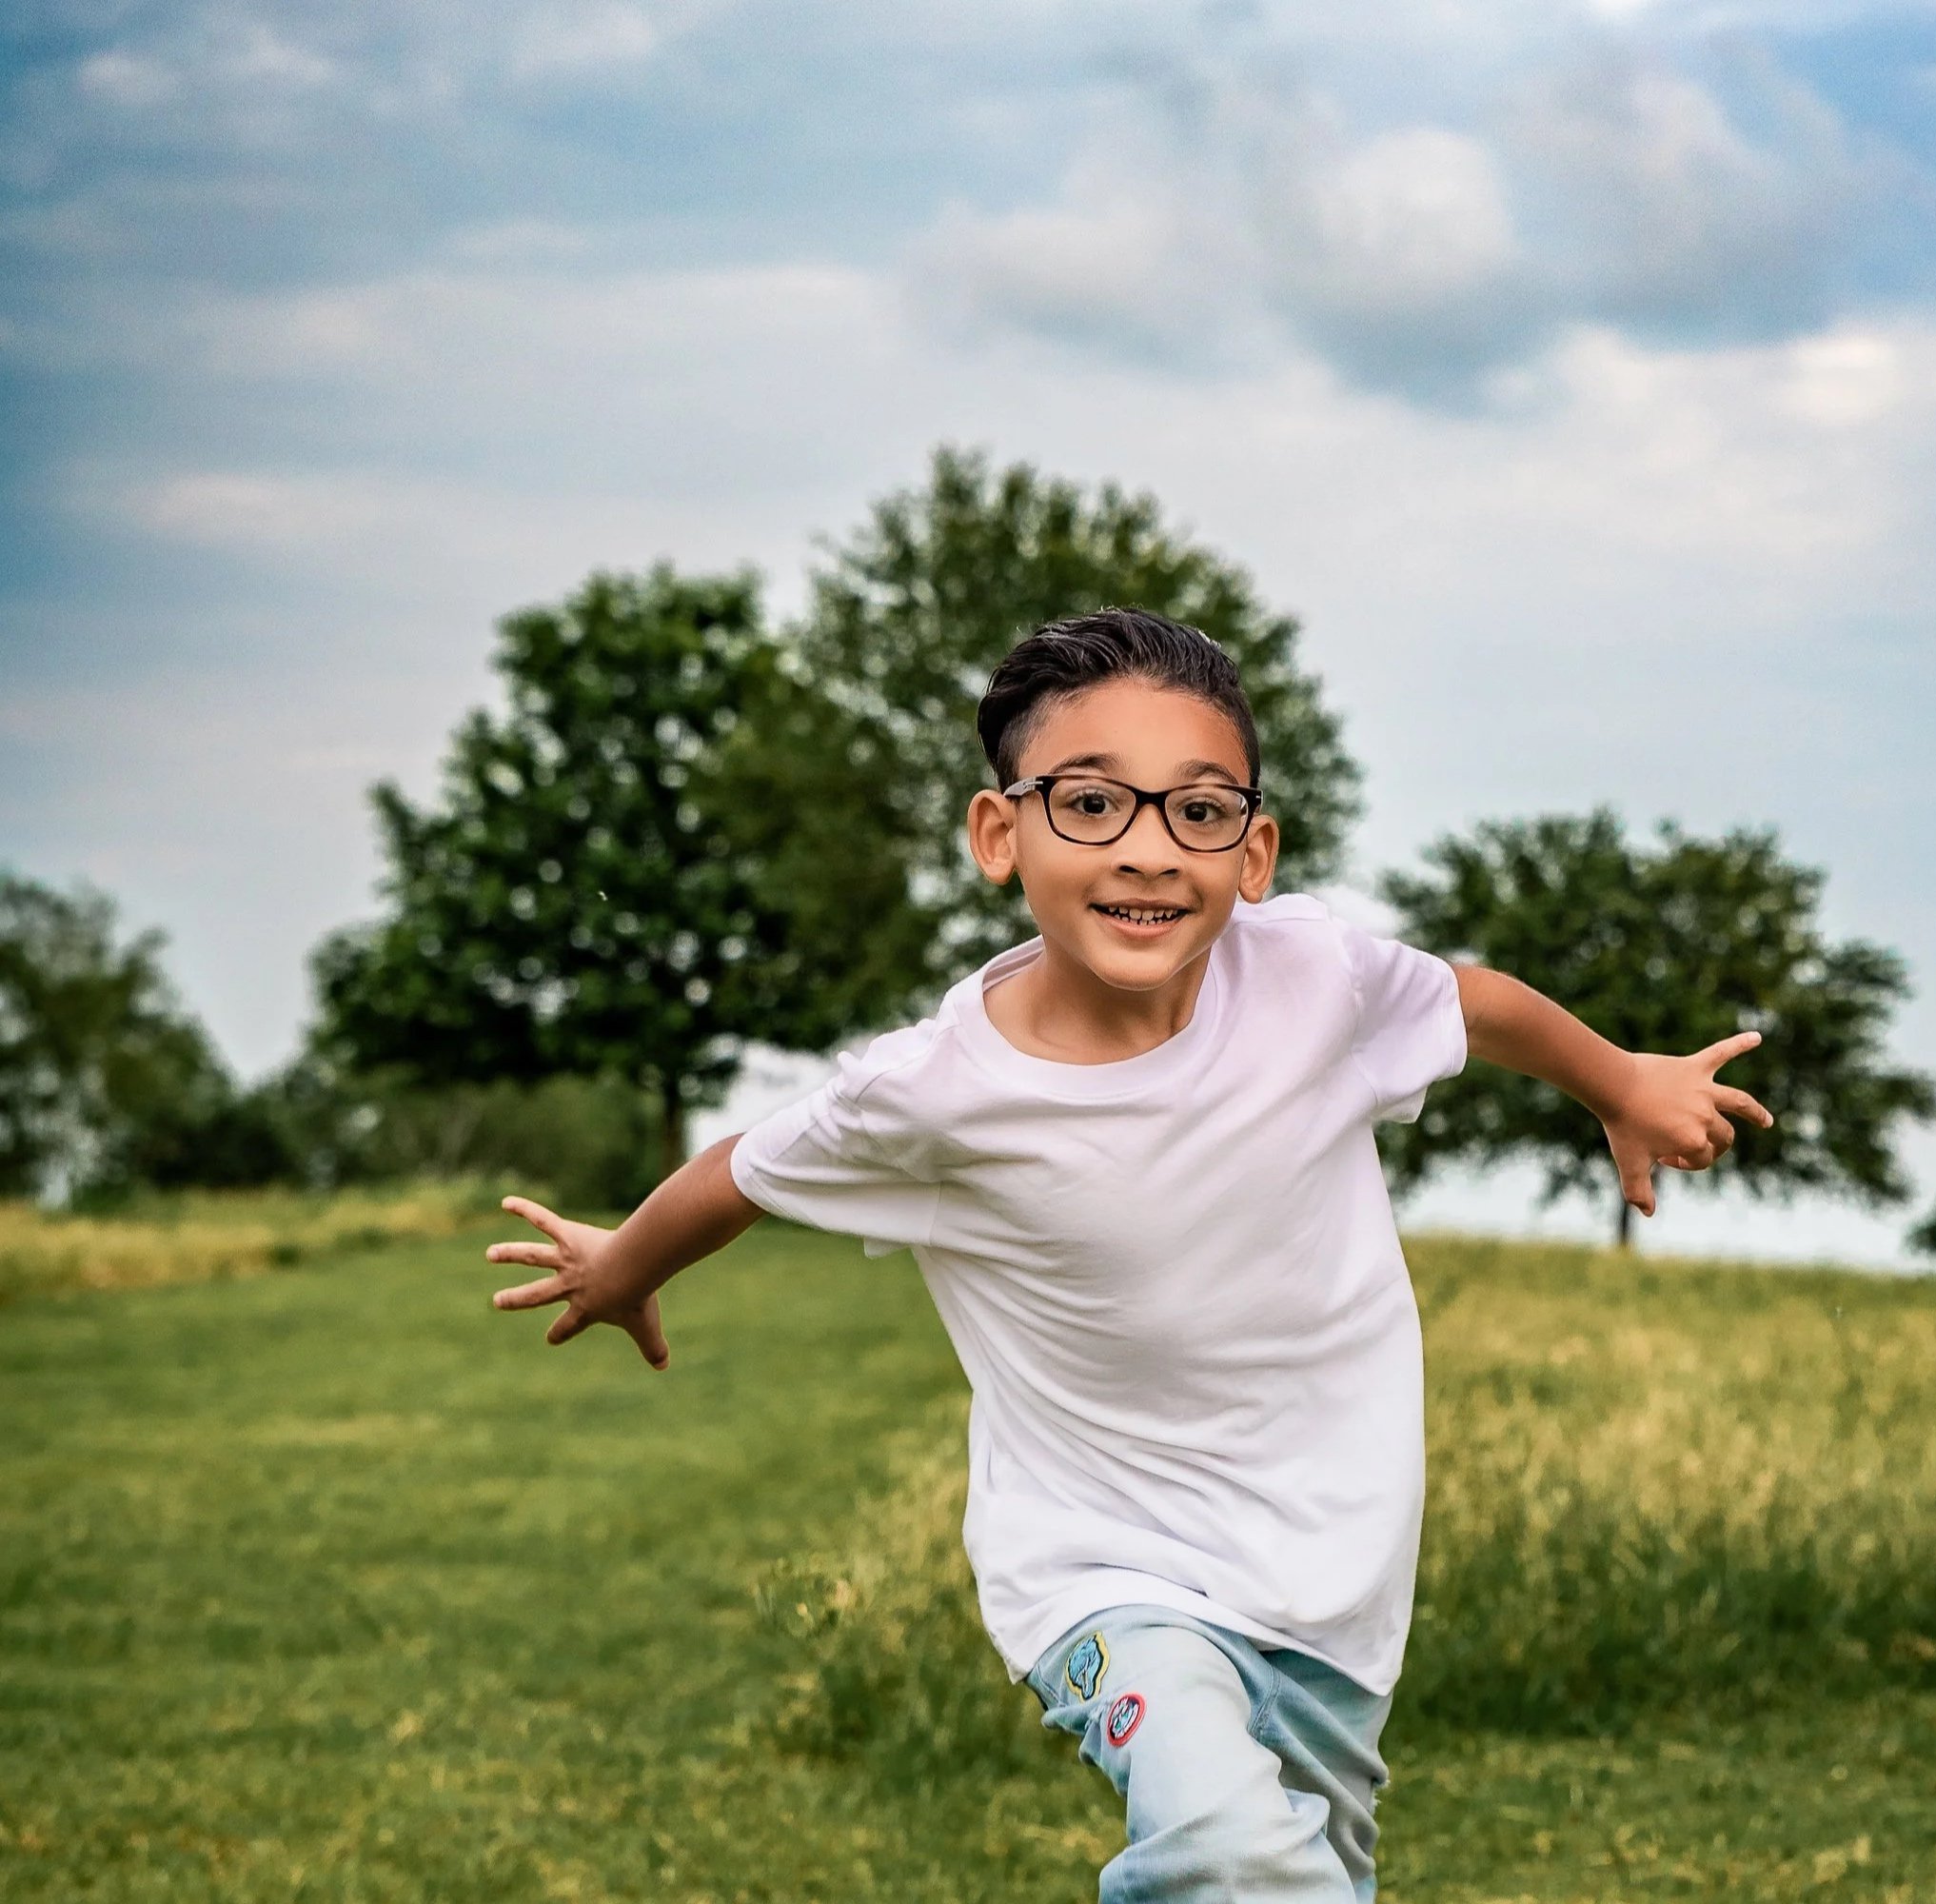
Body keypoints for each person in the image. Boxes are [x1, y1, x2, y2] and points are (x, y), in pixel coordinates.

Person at [486, 607, 1771, 1902]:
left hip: (1331, 1579)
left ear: (1254, 851)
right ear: (1003, 834)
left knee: (1304, 1877)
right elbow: (747, 1169)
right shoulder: (935, 1092)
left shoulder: (1315, 983)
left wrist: (1620, 1084)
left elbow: (1471, 1001)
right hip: (1099, 1578)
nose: (1149, 850)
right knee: (1224, 1854)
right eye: (1091, 804)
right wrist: (624, 1266)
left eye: (1199, 812)